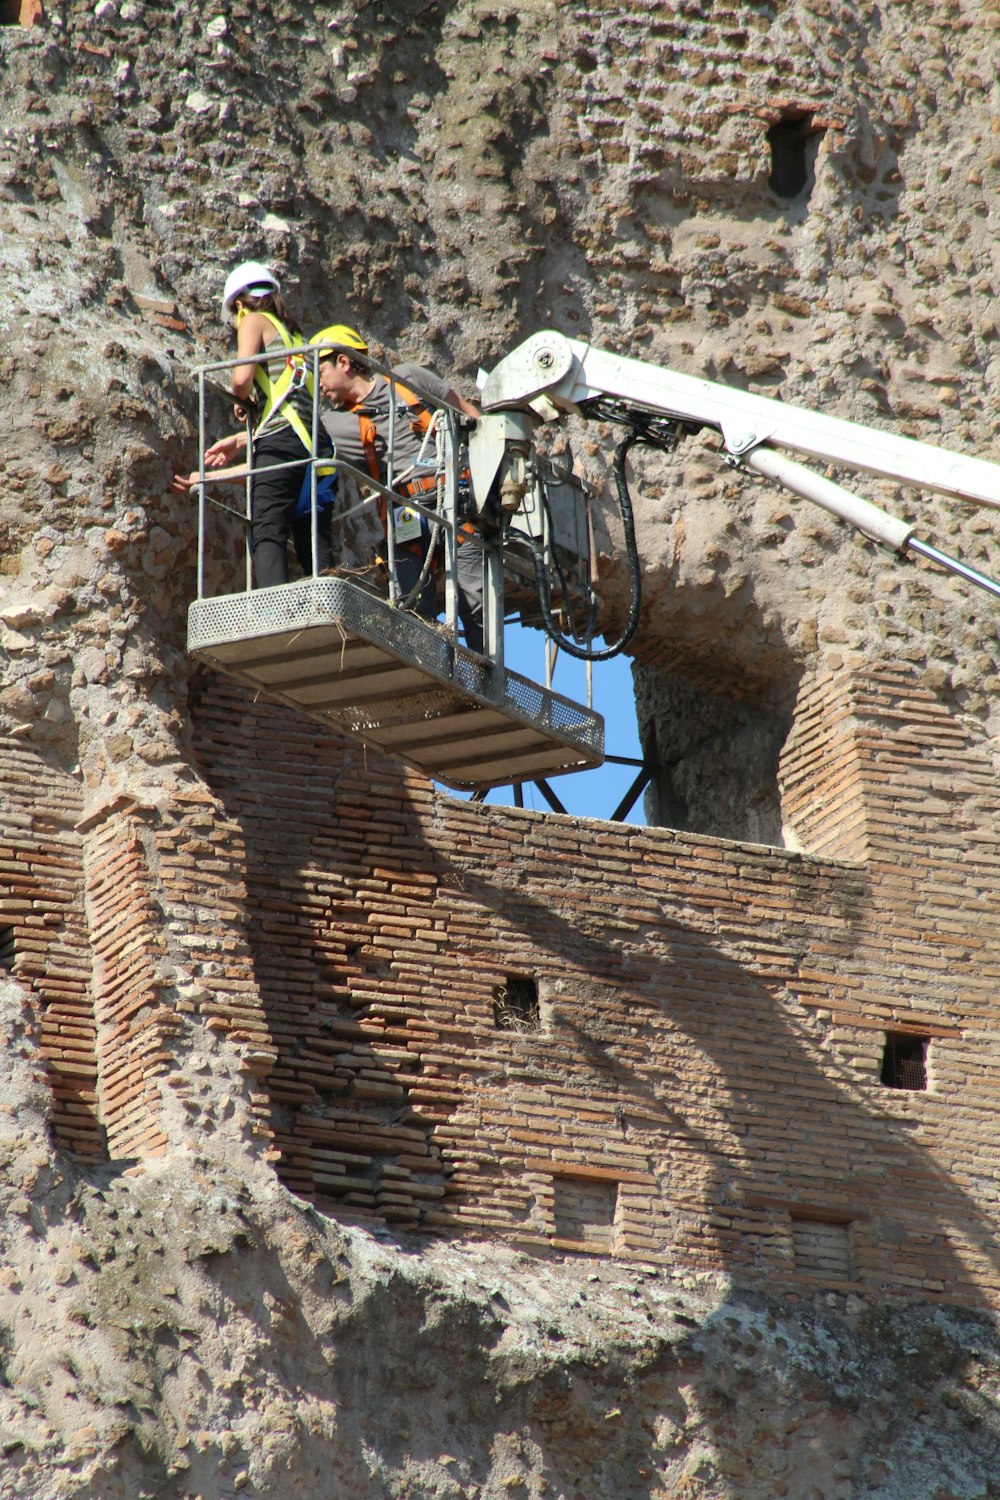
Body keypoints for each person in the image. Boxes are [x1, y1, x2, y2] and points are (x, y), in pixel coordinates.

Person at [310, 325, 486, 654]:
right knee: (413, 610)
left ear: (344, 363)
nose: (317, 384)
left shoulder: (407, 380)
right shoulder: (334, 424)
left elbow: (468, 413)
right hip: (406, 516)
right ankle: (429, 681)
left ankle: (488, 682)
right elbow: (288, 442)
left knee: (474, 602)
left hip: (455, 503)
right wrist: (238, 442)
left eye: (320, 371)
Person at [210, 260, 336, 587]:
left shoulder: (253, 320)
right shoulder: (295, 335)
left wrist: (243, 395)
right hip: (316, 443)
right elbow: (287, 388)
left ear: (238, 303)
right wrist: (256, 404)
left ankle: (271, 610)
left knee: (268, 527)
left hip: (281, 439)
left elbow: (241, 378)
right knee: (312, 532)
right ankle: (328, 602)